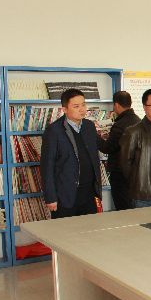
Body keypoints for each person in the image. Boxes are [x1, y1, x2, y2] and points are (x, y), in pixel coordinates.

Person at [41, 88, 101, 218]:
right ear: (65, 109)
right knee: (64, 230)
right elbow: (47, 166)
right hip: (65, 195)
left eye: (83, 105)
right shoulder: (54, 131)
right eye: (76, 106)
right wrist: (50, 197)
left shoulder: (89, 126)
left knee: (90, 229)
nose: (82, 109)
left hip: (89, 193)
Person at [96, 91, 140, 211]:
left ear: (116, 105)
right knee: (133, 205)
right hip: (135, 171)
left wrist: (95, 135)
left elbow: (107, 148)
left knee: (122, 206)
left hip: (120, 173)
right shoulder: (138, 121)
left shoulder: (120, 124)